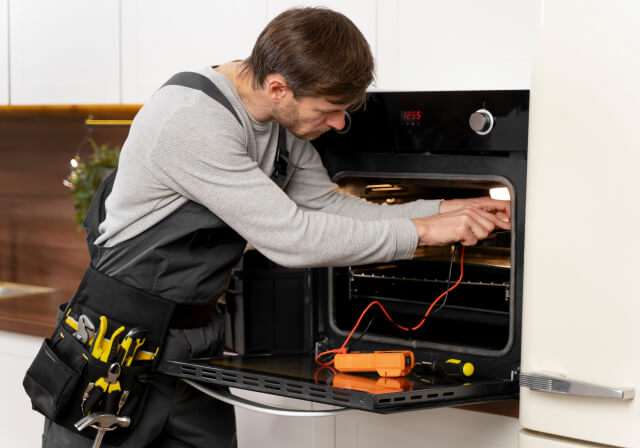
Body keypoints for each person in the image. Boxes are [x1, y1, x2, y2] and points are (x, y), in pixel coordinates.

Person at [41, 7, 509, 447]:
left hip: (195, 349)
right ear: (279, 88)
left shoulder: (282, 125)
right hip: (115, 354)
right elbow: (293, 238)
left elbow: (329, 208)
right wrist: (424, 234)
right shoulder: (192, 122)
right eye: (328, 109)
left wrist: (445, 209)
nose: (339, 122)